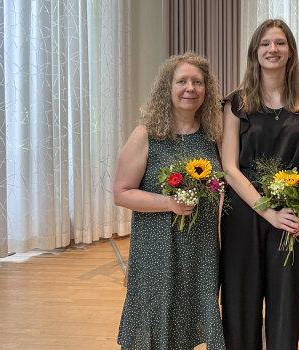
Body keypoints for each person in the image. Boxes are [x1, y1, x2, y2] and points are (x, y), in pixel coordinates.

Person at [219, 19, 299, 350]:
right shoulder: (236, 104)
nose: (273, 49)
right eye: (265, 43)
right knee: (240, 299)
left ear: (290, 52)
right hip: (243, 209)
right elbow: (229, 168)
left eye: (280, 43)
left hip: (291, 208)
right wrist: (268, 213)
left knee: (285, 301)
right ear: (255, 52)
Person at [113, 52, 225, 349]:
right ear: (168, 88)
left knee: (188, 320)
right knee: (155, 317)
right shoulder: (146, 135)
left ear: (206, 90)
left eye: (198, 82)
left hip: (200, 248)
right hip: (156, 248)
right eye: (182, 81)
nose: (190, 88)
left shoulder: (213, 136)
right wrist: (169, 203)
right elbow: (121, 192)